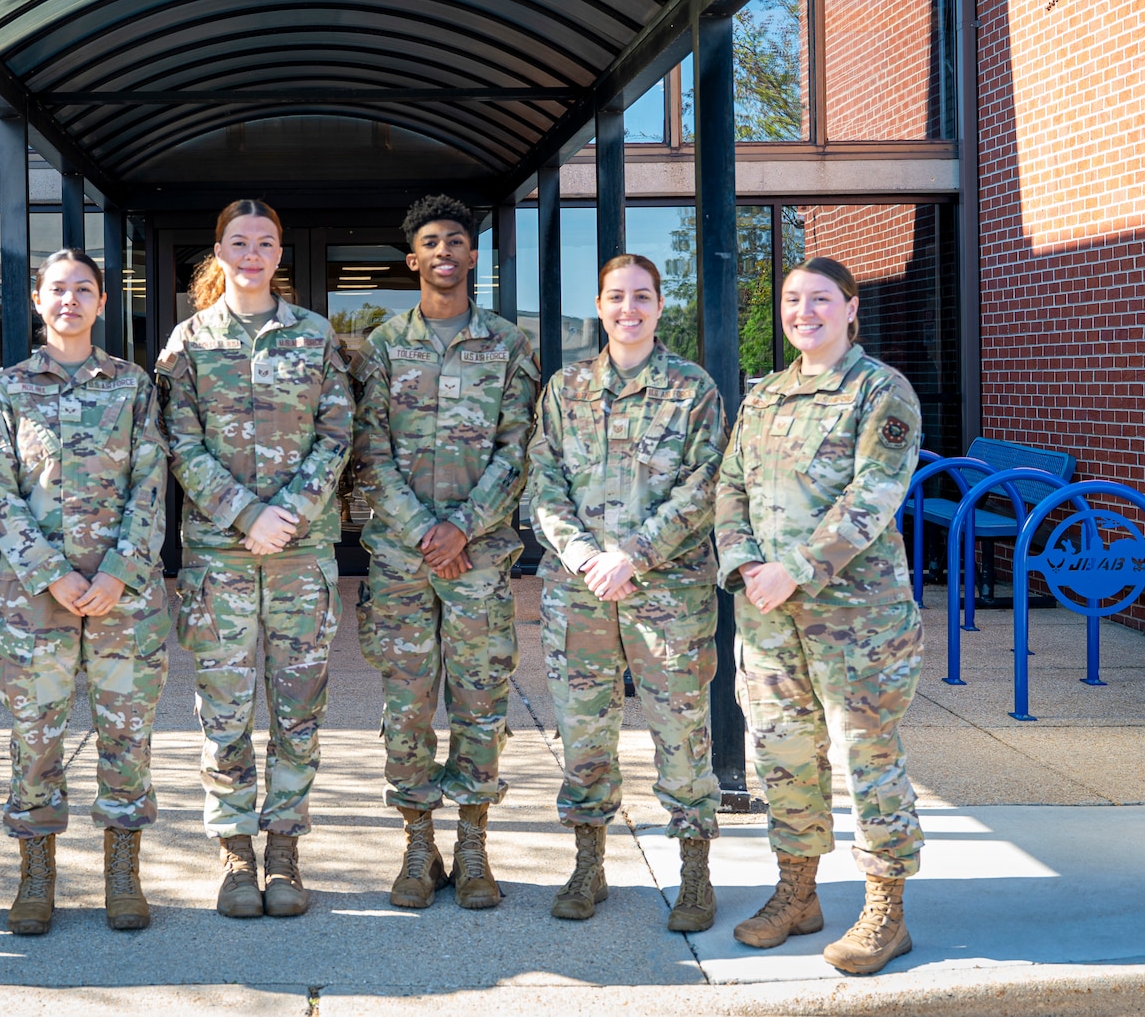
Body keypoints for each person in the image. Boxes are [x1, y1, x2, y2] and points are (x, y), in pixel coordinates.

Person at [714, 256, 924, 976]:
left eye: (821, 299)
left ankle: (885, 909)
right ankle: (798, 893)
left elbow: (874, 496)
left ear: (850, 306)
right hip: (768, 617)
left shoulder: (880, 390)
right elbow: (729, 485)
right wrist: (745, 564)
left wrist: (791, 568)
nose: (804, 310)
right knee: (784, 755)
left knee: (868, 756)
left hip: (856, 619)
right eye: (792, 299)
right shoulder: (764, 396)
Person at [156, 199, 354, 919]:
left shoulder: (314, 335)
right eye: (238, 242)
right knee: (226, 712)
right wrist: (245, 513)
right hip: (221, 557)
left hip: (300, 554)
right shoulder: (188, 341)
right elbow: (178, 440)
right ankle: (236, 852)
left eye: (264, 242)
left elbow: (338, 433)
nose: (251, 253)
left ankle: (284, 847)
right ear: (219, 250)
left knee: (301, 710)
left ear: (279, 255)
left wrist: (288, 514)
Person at [0, 249, 170, 935]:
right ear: (36, 299)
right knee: (35, 737)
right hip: (37, 596)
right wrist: (51, 570)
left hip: (124, 596)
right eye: (58, 289)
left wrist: (117, 569)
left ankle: (122, 874)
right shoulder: (6, 388)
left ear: (104, 301)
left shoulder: (133, 384)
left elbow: (151, 482)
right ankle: (36, 876)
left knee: (126, 735)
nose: (70, 300)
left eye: (83, 289)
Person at [527, 253, 726, 930]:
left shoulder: (693, 388)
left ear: (660, 304)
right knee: (583, 732)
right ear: (600, 302)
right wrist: (584, 553)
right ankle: (589, 864)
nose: (629, 308)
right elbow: (543, 480)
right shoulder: (566, 387)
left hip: (667, 593)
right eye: (616, 296)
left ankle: (694, 871)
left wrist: (633, 556)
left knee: (681, 733)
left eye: (642, 296)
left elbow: (704, 486)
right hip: (579, 590)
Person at [351, 194, 538, 911]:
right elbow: (370, 451)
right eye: (431, 241)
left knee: (480, 704)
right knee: (406, 706)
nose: (445, 253)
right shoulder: (384, 343)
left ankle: (473, 845)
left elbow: (516, 447)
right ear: (413, 259)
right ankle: (416, 845)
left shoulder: (509, 344)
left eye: (456, 240)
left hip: (479, 560)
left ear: (472, 256)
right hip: (404, 562)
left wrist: (462, 527)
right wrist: (427, 535)